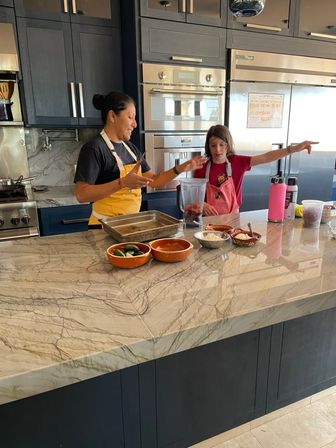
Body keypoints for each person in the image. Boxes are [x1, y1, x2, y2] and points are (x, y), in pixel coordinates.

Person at [74, 91, 206, 226]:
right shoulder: (94, 148)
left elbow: (153, 181)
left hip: (129, 226)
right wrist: (123, 183)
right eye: (130, 117)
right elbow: (82, 194)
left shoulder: (130, 148)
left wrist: (180, 169)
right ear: (113, 116)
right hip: (103, 228)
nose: (135, 124)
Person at [193, 125, 318, 216]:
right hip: (207, 222)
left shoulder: (238, 162)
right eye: (213, 145)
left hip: (232, 221)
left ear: (228, 145)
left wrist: (293, 149)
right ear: (208, 147)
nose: (218, 150)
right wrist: (201, 204)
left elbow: (266, 157)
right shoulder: (201, 167)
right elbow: (192, 195)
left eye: (222, 144)